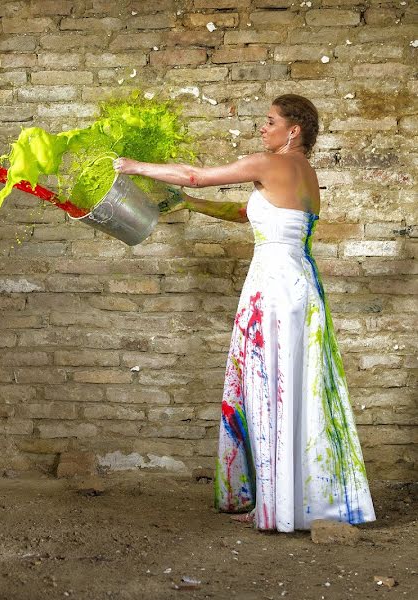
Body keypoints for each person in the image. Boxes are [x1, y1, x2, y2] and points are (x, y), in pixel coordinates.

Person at [114, 94, 376, 532]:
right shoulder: (306, 174)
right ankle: (298, 501)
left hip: (273, 287)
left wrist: (134, 166)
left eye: (270, 121)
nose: (262, 127)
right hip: (299, 285)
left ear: (293, 130)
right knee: (294, 385)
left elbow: (195, 175)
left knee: (270, 384)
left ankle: (279, 506)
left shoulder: (266, 163)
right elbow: (249, 213)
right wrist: (191, 206)